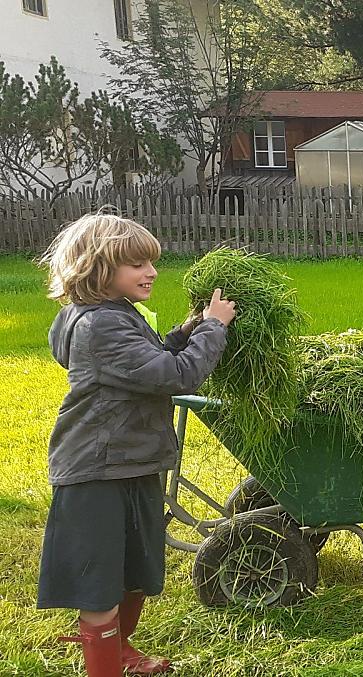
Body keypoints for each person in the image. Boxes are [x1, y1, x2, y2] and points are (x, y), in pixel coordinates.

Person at [36, 210, 235, 676]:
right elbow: (176, 375)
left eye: (151, 262)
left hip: (131, 461)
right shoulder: (99, 326)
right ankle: (105, 667)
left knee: (135, 569)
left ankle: (121, 653)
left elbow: (151, 359)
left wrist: (190, 328)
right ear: (98, 268)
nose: (152, 272)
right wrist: (214, 328)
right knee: (99, 585)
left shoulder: (113, 315)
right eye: (137, 264)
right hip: (98, 471)